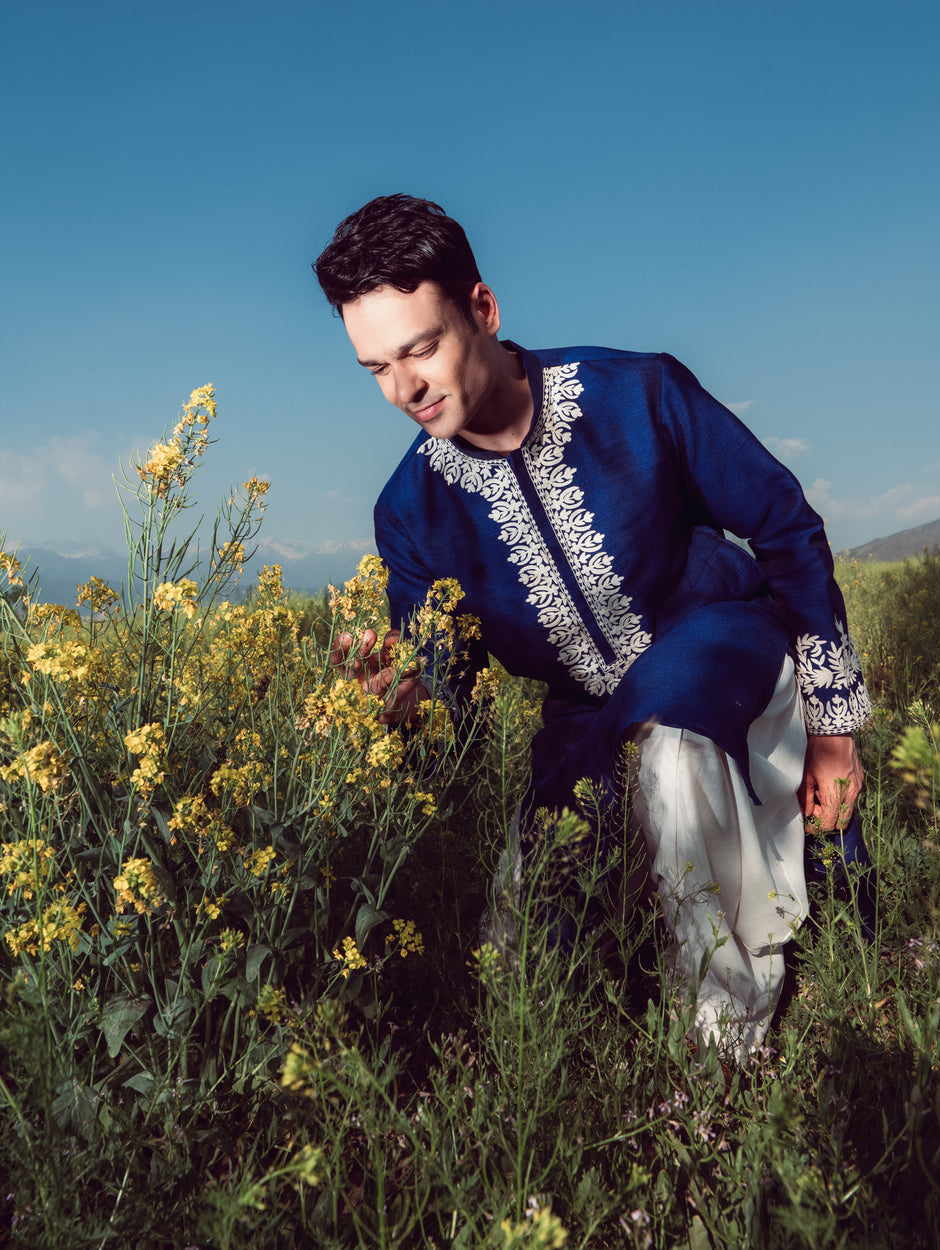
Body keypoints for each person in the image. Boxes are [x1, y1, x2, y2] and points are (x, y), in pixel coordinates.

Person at [312, 194, 872, 1058]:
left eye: (420, 349)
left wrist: (834, 733)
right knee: (523, 949)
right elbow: (453, 708)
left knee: (672, 743)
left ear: (483, 310)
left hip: (723, 651)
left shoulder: (637, 391)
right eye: (376, 367)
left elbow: (786, 527)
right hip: (587, 721)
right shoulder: (410, 513)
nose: (403, 388)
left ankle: (725, 1042)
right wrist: (405, 706)